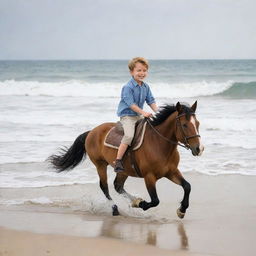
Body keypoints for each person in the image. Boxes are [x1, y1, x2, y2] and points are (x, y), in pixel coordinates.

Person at [114, 57, 158, 172]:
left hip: (138, 115)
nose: (142, 73)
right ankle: (118, 160)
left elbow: (151, 101)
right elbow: (131, 104)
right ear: (131, 72)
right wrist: (144, 113)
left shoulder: (145, 86)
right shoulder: (127, 87)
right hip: (128, 116)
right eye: (139, 70)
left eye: (144, 70)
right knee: (129, 136)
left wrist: (158, 112)